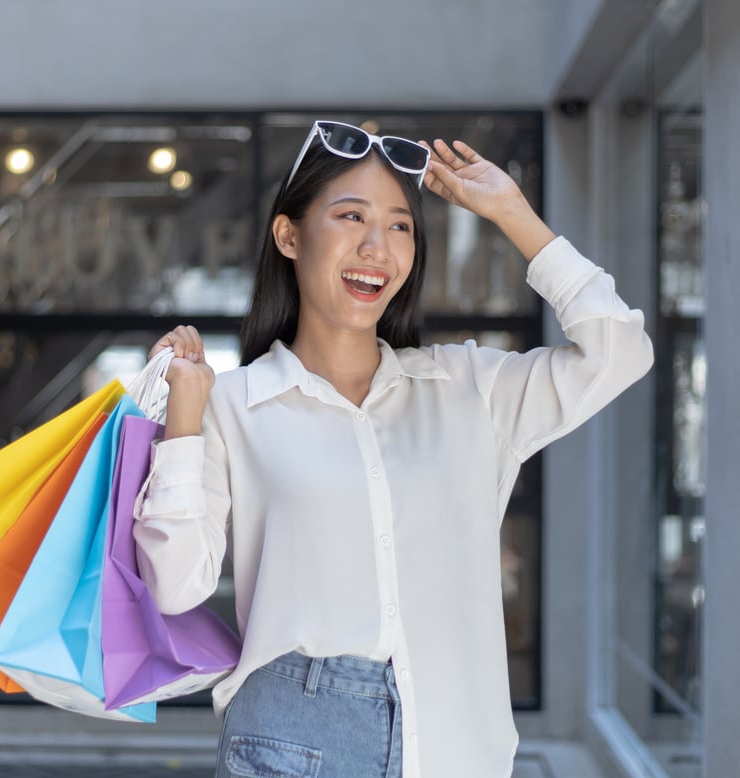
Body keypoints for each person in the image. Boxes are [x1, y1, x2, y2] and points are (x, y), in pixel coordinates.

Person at [132, 120, 654, 778]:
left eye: (400, 226)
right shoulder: (231, 406)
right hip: (292, 741)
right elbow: (177, 587)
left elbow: (620, 353)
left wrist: (511, 212)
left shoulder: (470, 388)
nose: (377, 248)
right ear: (288, 235)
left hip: (455, 744)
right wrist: (181, 420)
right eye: (351, 217)